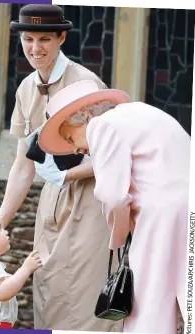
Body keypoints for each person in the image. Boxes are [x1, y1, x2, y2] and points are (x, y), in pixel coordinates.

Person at [0, 4, 121, 331]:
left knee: (86, 299)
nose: (35, 49)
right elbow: (23, 165)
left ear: (61, 38)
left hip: (93, 203)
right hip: (52, 205)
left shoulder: (86, 84)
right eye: (28, 40)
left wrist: (66, 173)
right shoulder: (25, 89)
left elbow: (112, 154)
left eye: (44, 40)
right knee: (49, 294)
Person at [38, 79, 189, 333]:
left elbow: (113, 196)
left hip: (161, 218)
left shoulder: (101, 126)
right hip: (187, 210)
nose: (75, 148)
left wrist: (119, 236)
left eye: (69, 137)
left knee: (150, 303)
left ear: (84, 118)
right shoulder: (143, 112)